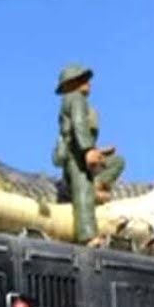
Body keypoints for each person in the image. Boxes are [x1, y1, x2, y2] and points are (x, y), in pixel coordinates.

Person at [52, 64, 126, 244]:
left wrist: (98, 151)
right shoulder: (75, 99)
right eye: (82, 79)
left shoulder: (81, 103)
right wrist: (88, 150)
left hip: (83, 152)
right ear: (71, 84)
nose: (88, 83)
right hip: (75, 156)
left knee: (116, 161)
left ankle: (97, 186)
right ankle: (88, 235)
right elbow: (78, 126)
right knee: (83, 190)